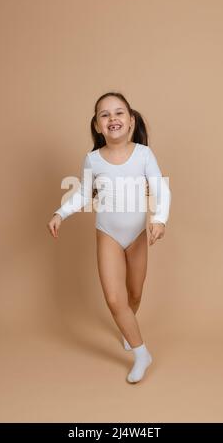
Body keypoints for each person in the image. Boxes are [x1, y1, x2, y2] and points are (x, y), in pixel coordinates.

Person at [47, 92, 171, 383]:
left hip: (139, 235)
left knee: (135, 294)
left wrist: (160, 219)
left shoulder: (143, 154)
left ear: (131, 121)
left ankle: (129, 330)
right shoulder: (92, 160)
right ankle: (142, 353)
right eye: (104, 115)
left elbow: (161, 188)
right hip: (108, 235)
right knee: (115, 299)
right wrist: (59, 213)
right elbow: (82, 194)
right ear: (97, 125)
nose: (112, 118)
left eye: (118, 113)